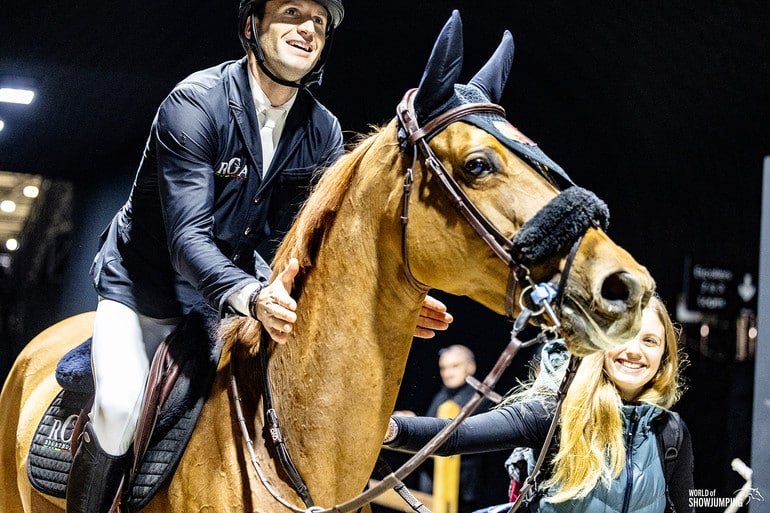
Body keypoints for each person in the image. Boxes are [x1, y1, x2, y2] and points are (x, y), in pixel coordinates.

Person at [67, 2, 452, 512]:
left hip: (235, 293)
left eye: (319, 22)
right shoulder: (194, 105)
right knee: (117, 410)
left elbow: (322, 249)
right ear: (252, 25)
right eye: (292, 12)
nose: (307, 29)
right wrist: (253, 296)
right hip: (147, 289)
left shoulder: (322, 130)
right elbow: (187, 240)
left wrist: (391, 304)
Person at [384, 296, 694, 513]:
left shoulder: (670, 432)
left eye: (650, 340)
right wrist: (387, 429)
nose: (635, 350)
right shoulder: (557, 411)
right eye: (623, 335)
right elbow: (456, 435)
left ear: (664, 356)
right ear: (599, 343)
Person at [411, 345, 491, 513]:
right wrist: (411, 422)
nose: (448, 373)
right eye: (443, 368)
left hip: (463, 490)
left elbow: (451, 434)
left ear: (470, 367)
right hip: (432, 483)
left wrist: (415, 425)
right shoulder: (442, 395)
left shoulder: (480, 397)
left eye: (455, 366)